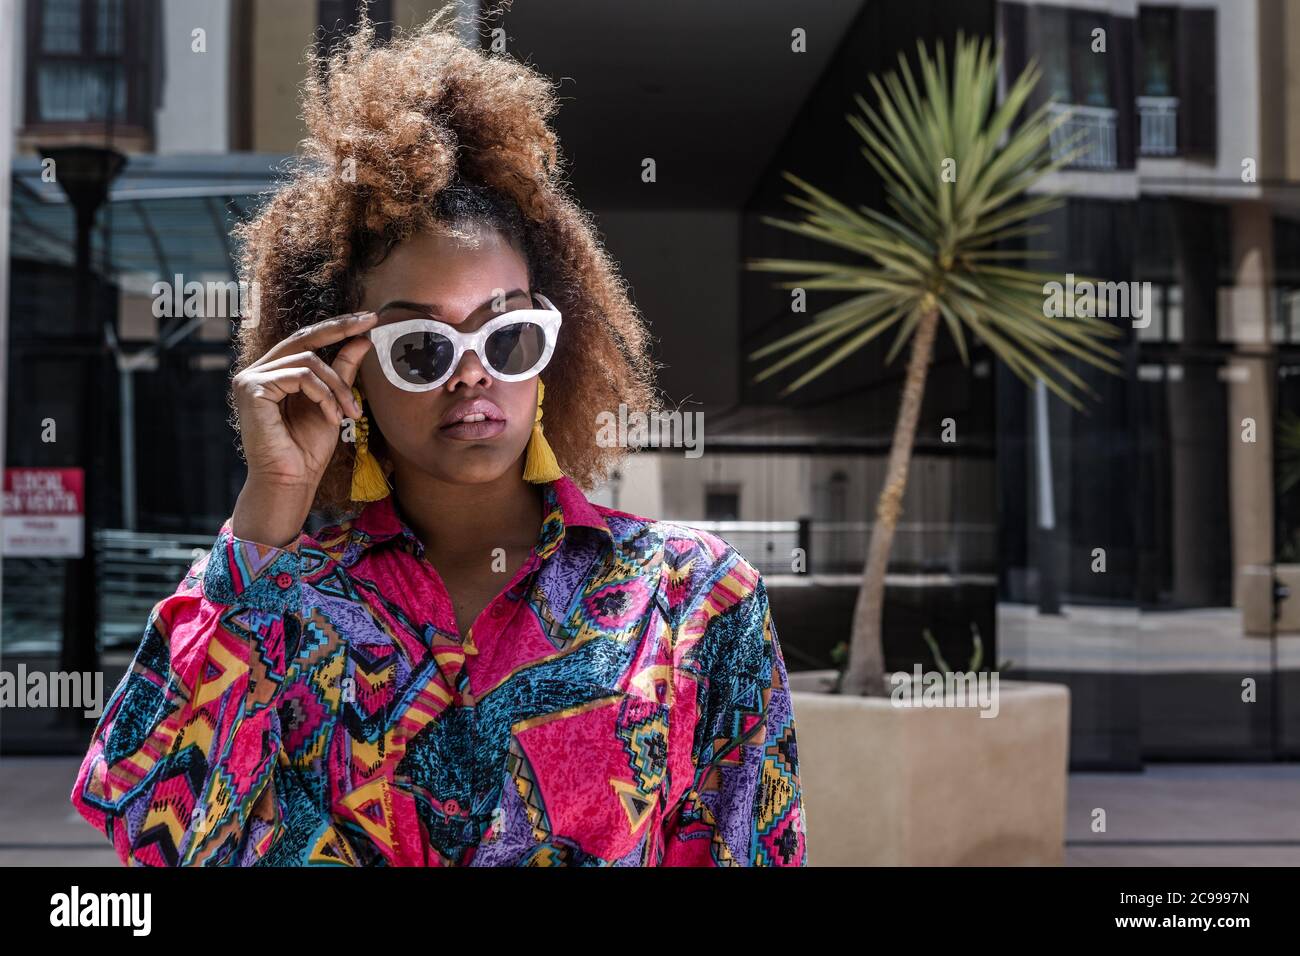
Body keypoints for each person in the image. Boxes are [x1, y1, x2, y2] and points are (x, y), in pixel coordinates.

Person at [69, 10, 808, 867]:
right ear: (348, 365)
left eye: (507, 335)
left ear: (551, 348)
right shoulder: (285, 596)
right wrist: (267, 512)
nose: (471, 375)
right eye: (420, 347)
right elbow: (150, 826)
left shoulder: (693, 600)